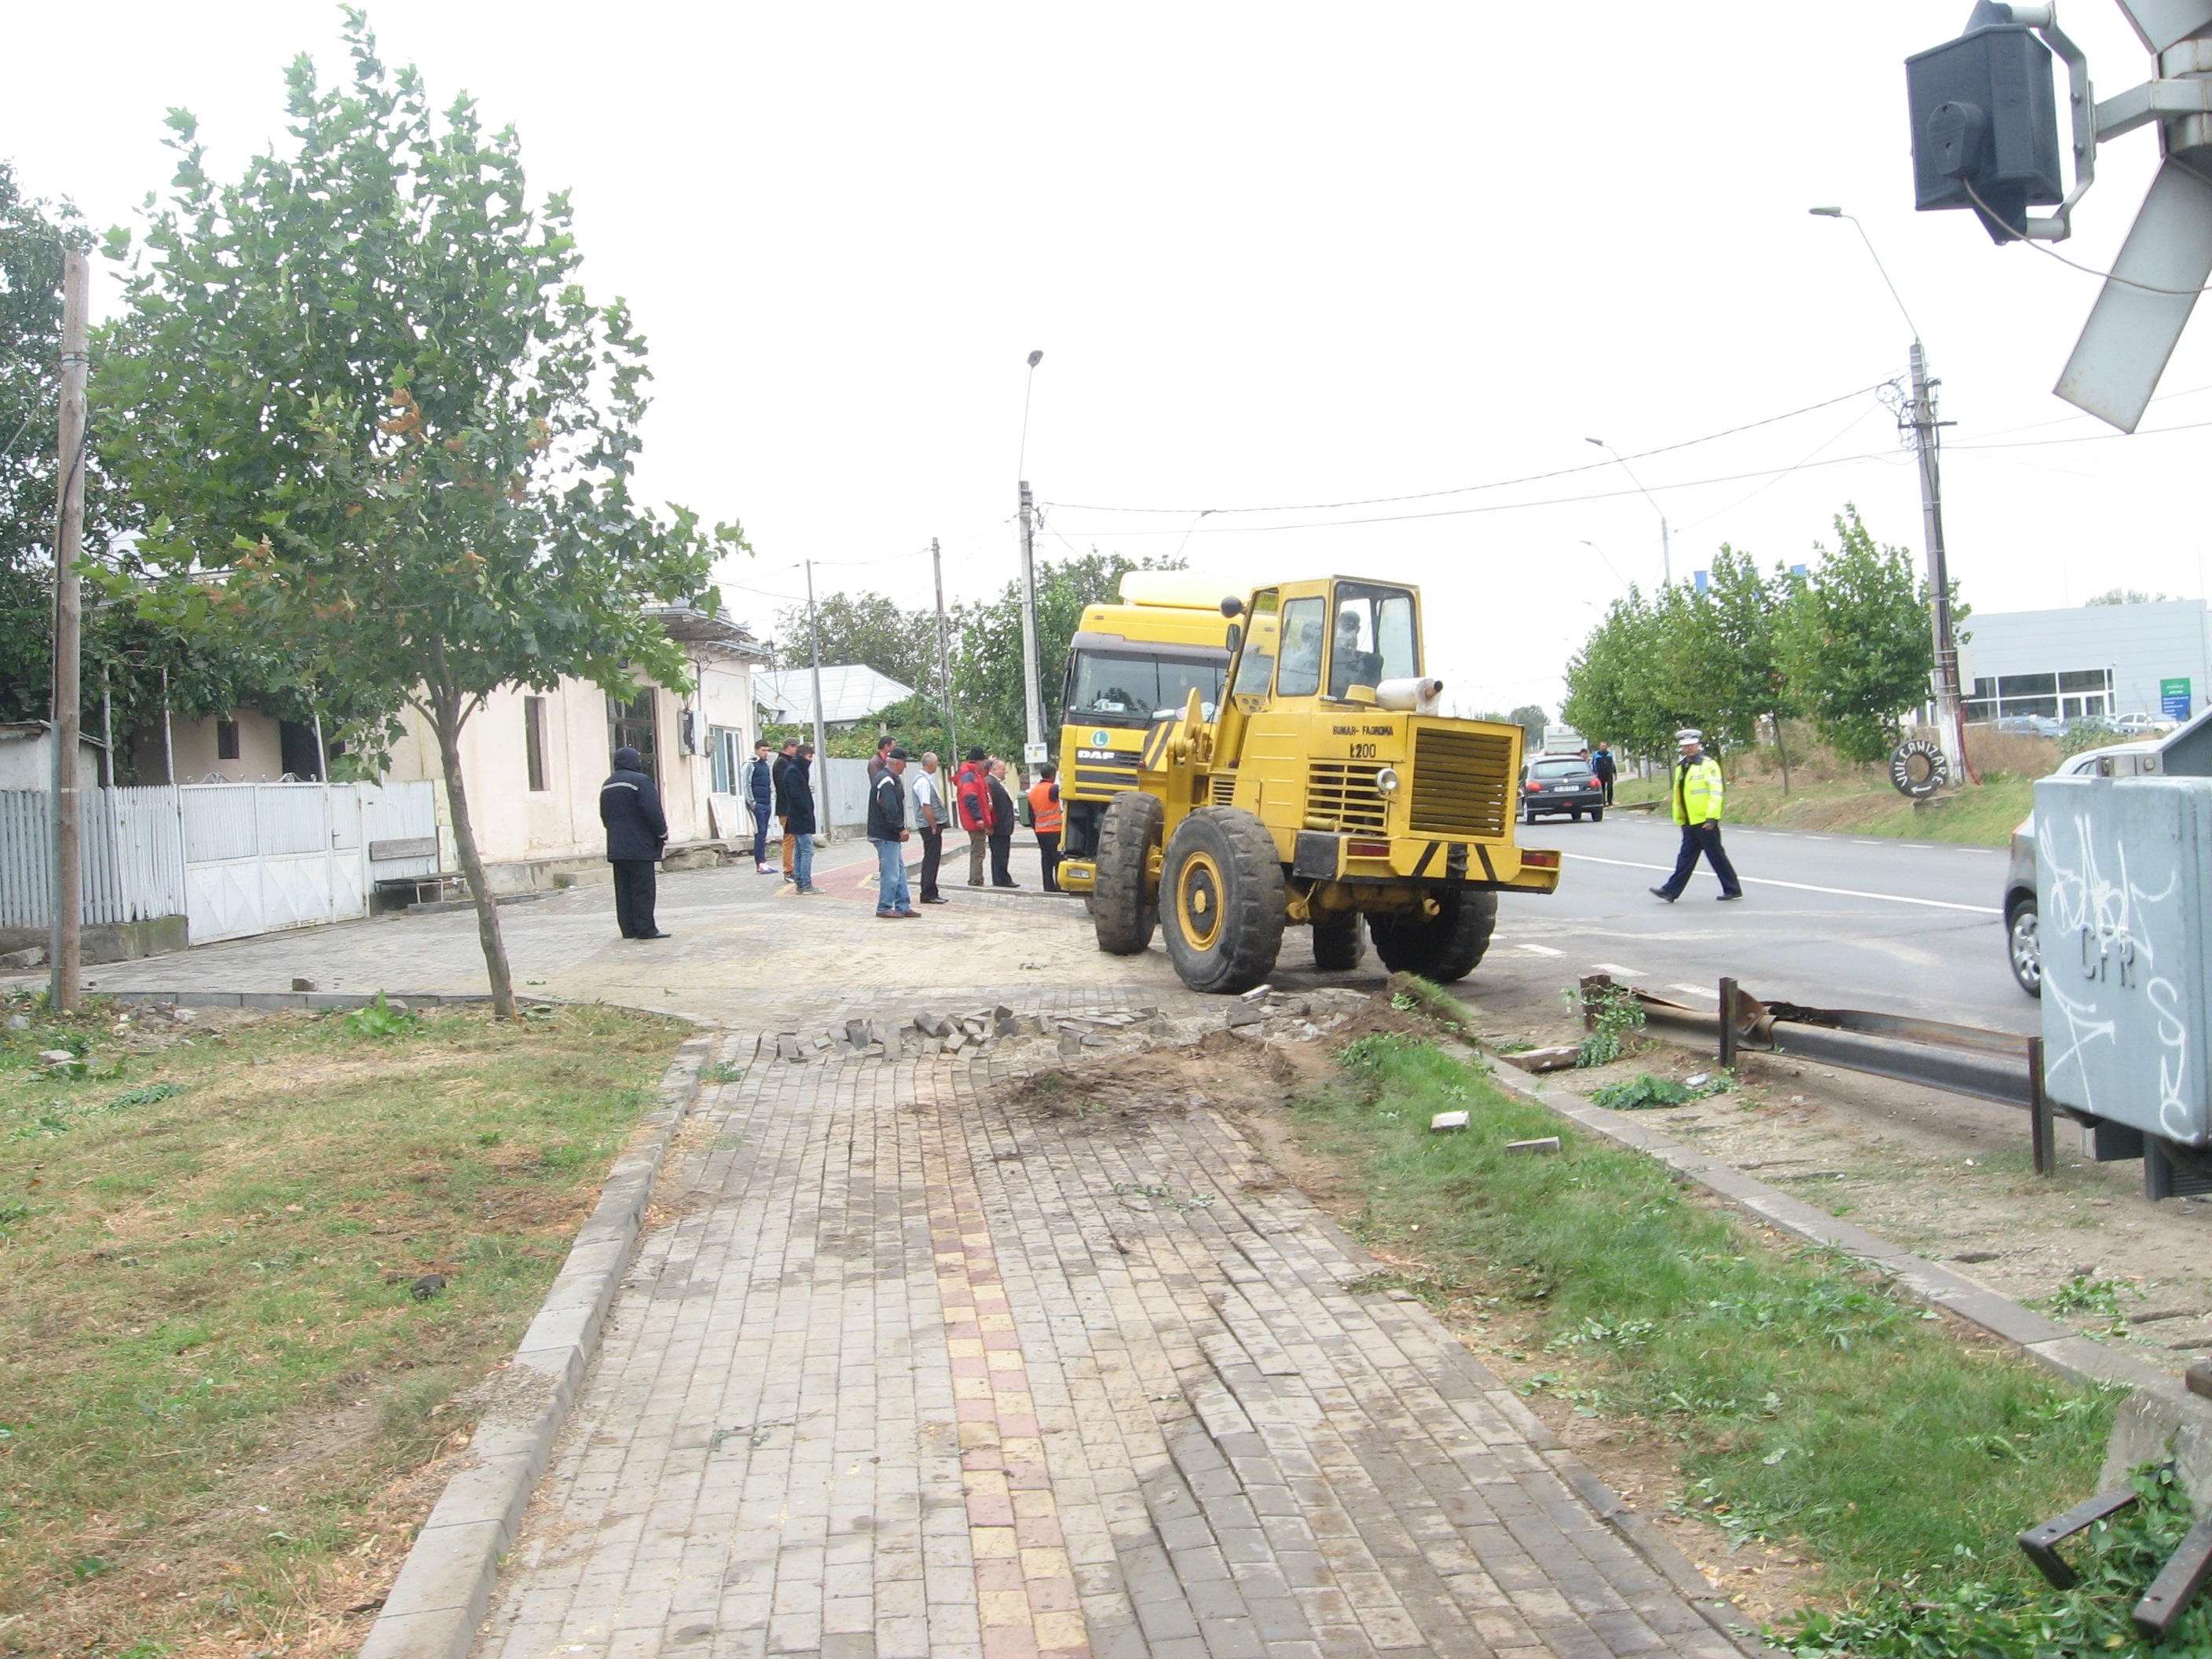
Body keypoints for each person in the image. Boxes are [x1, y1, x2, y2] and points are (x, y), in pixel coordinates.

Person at [1650, 729, 1741, 903]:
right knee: (1686, 857)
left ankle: (1732, 888)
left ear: (1699, 745)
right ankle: (1670, 891)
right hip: (1690, 821)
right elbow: (1680, 795)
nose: (1688, 748)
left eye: (1691, 745)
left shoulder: (1708, 765)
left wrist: (1712, 818)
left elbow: (1716, 792)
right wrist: (1682, 819)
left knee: (1716, 856)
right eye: (1685, 746)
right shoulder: (1682, 766)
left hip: (1704, 820)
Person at [599, 745, 670, 939]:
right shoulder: (641, 781)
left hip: (616, 846)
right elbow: (652, 811)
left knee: (623, 890)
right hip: (640, 846)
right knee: (643, 889)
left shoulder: (608, 784)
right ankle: (646, 928)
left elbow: (604, 815)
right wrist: (662, 833)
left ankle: (628, 929)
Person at [869, 746, 920, 918]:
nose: (905, 767)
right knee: (891, 873)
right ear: (898, 763)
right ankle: (884, 907)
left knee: (899, 872)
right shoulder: (887, 781)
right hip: (885, 833)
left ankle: (902, 905)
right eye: (904, 763)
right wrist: (900, 827)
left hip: (888, 833)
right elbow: (890, 808)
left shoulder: (888, 778)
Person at [782, 742, 822, 894]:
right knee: (807, 850)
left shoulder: (796, 770)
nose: (810, 760)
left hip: (798, 816)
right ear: (802, 756)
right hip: (800, 817)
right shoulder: (794, 771)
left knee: (800, 850)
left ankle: (800, 882)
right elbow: (796, 796)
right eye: (809, 756)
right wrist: (806, 811)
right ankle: (805, 883)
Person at [912, 751, 949, 905]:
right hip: (929, 826)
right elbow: (926, 805)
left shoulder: (925, 780)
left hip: (929, 824)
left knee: (933, 858)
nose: (937, 765)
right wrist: (933, 825)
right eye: (937, 762)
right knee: (931, 859)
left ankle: (932, 891)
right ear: (931, 764)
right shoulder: (923, 782)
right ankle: (928, 893)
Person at [956, 748, 994, 887]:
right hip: (975, 821)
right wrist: (978, 818)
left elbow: (982, 773)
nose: (985, 764)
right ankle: (976, 879)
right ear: (979, 761)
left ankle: (976, 878)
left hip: (974, 820)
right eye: (984, 761)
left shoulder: (972, 774)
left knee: (978, 851)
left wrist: (989, 764)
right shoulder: (969, 776)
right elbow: (970, 798)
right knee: (978, 852)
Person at [1027, 761, 1064, 892]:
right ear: (1053, 775)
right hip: (1054, 829)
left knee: (1046, 859)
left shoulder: (1032, 792)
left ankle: (1048, 886)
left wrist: (1036, 828)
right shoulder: (1053, 788)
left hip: (1040, 831)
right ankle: (1060, 886)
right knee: (1058, 858)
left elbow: (1030, 815)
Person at [743, 738, 777, 873]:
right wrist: (752, 802)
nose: (765, 753)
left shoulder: (765, 765)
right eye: (763, 750)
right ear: (757, 750)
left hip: (766, 802)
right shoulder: (750, 764)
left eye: (767, 751)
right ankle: (760, 863)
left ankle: (764, 862)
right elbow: (746, 784)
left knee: (764, 833)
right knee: (759, 832)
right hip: (757, 804)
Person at [987, 758, 1020, 888]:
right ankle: (1001, 878)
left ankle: (1001, 877)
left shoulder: (996, 782)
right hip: (998, 826)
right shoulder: (991, 783)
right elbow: (990, 806)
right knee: (999, 854)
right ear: (994, 769)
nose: (1005, 772)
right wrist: (990, 825)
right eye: (1003, 769)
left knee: (1002, 853)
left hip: (1003, 825)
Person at [771, 737, 801, 878]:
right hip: (786, 807)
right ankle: (788, 870)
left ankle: (792, 868)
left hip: (788, 806)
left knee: (792, 839)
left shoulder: (786, 762)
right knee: (789, 839)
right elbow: (785, 787)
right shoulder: (782, 763)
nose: (797, 751)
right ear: (790, 747)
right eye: (796, 748)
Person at [1591, 742, 1617, 807]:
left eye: (1605, 746)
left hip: (1609, 774)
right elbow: (1593, 764)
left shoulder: (1609, 754)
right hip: (1600, 774)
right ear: (1599, 747)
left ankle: (1610, 802)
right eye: (1602, 746)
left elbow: (1612, 764)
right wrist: (1594, 773)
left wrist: (1615, 773)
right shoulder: (1596, 755)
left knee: (1610, 788)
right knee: (1602, 788)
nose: (1604, 747)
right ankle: (1603, 802)